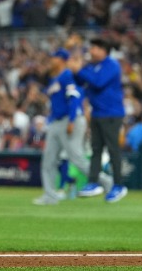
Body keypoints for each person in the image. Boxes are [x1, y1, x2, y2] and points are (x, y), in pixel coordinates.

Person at [34, 50, 113, 205]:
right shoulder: (55, 78)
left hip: (71, 120)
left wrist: (71, 120)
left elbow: (75, 98)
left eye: (55, 57)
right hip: (56, 122)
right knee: (48, 160)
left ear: (61, 59)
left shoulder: (68, 75)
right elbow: (57, 104)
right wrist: (49, 120)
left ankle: (106, 181)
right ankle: (50, 196)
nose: (52, 60)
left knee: (77, 159)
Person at [69, 37, 128, 203]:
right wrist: (76, 69)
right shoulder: (92, 66)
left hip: (112, 113)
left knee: (113, 149)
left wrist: (80, 70)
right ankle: (93, 182)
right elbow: (80, 82)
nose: (91, 50)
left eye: (95, 47)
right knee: (96, 150)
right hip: (97, 113)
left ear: (104, 50)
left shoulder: (111, 65)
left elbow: (98, 82)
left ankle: (118, 185)